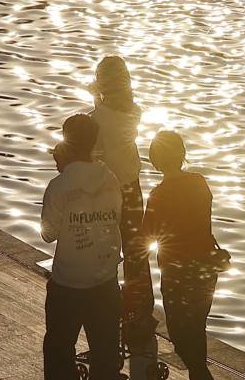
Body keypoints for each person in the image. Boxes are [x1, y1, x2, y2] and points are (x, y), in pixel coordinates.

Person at [41, 114, 123, 380]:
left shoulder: (59, 185)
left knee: (59, 348)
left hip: (68, 283)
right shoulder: (111, 178)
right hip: (105, 279)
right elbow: (117, 220)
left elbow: (48, 234)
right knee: (105, 352)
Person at [88, 56, 157, 366]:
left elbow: (94, 143)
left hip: (107, 193)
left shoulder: (97, 120)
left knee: (105, 254)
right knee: (136, 253)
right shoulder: (133, 113)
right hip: (132, 189)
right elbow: (110, 109)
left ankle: (107, 316)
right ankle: (140, 316)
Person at [141, 131, 218, 380]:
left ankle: (200, 373)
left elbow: (147, 235)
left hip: (177, 272)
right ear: (182, 154)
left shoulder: (159, 194)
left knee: (179, 332)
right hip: (206, 266)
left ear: (155, 161)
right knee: (197, 326)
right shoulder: (199, 182)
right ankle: (199, 372)